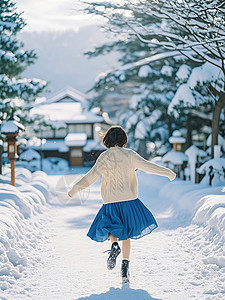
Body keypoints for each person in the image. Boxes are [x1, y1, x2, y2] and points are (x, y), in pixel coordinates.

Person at [68, 125, 176, 283]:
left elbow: (90, 176)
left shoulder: (104, 157)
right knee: (127, 234)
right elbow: (148, 166)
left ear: (107, 140)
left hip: (111, 201)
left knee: (112, 227)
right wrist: (169, 173)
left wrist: (74, 190)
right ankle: (125, 269)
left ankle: (114, 245)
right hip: (129, 200)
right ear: (124, 140)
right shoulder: (130, 155)